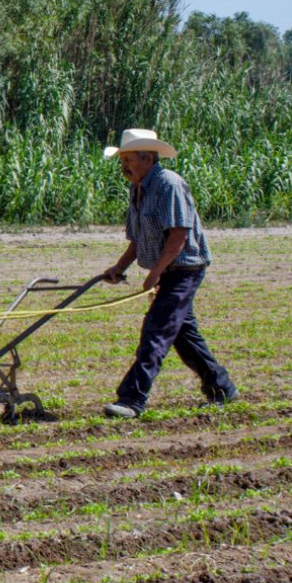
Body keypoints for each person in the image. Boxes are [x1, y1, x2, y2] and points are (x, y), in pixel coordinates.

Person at [100, 129, 237, 419]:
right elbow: (139, 239)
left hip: (184, 268)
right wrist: (118, 268)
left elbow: (178, 237)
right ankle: (221, 387)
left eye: (128, 159)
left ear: (148, 158)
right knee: (183, 335)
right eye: (121, 159)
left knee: (156, 331)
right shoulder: (137, 188)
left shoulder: (168, 185)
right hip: (167, 268)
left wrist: (155, 275)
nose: (123, 165)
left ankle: (132, 400)